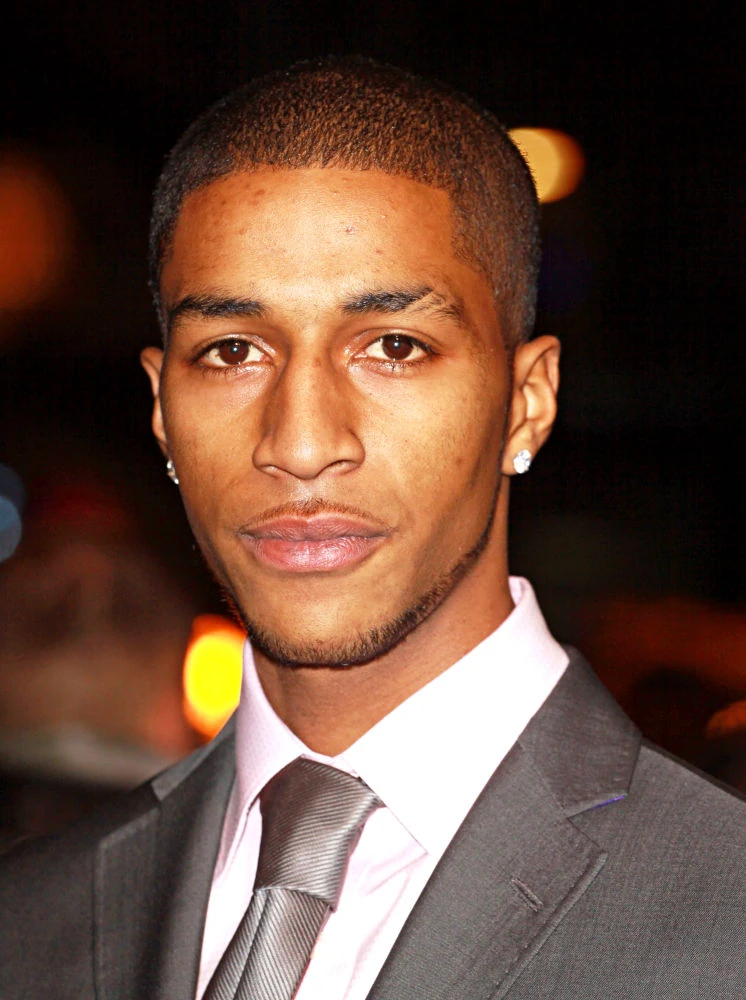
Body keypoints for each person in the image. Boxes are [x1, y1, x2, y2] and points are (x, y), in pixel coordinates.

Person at [2, 56, 746, 1000]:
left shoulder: (724, 915)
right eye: (232, 351)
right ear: (161, 410)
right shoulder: (29, 923)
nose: (301, 442)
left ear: (527, 401)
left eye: (393, 347)